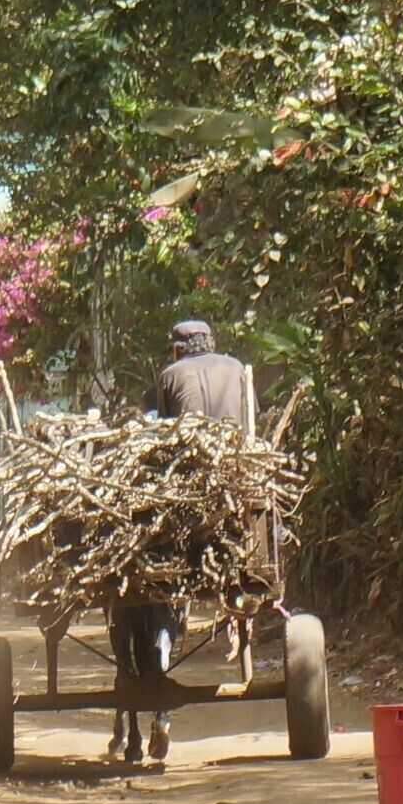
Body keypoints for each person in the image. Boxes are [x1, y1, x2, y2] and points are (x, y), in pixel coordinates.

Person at [111, 318, 259, 763]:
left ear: (177, 351)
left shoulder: (170, 376)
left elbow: (163, 434)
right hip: (236, 491)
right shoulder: (238, 369)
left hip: (186, 491)